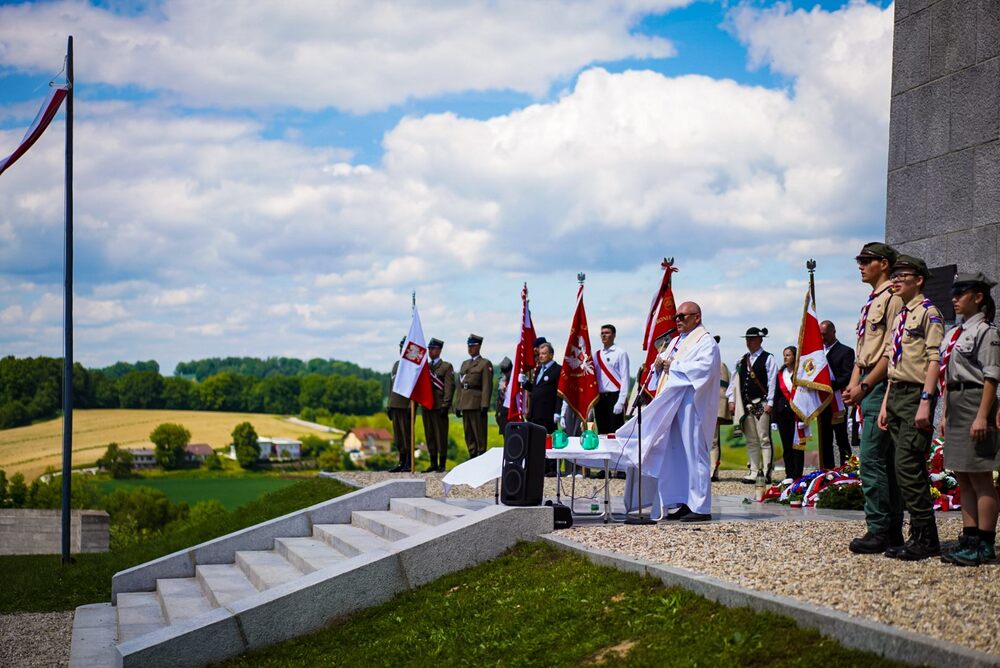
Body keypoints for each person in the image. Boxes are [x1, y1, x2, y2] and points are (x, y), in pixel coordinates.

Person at [617, 302, 721, 521]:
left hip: (692, 403)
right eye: (676, 317)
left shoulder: (706, 342)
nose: (678, 320)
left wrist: (674, 366)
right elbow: (664, 368)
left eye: (683, 316)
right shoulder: (674, 341)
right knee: (674, 453)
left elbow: (704, 369)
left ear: (697, 317)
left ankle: (701, 507)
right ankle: (683, 501)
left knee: (694, 452)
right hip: (672, 402)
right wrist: (658, 366)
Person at [877, 255, 945, 561]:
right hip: (896, 394)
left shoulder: (929, 313)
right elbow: (894, 363)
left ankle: (927, 536)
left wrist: (926, 402)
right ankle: (916, 534)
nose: (896, 280)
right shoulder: (901, 316)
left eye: (902, 275)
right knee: (901, 467)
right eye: (894, 275)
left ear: (918, 280)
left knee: (908, 464)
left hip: (917, 395)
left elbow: (934, 359)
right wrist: (885, 403)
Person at [843, 241, 905, 555]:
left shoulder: (893, 299)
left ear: (884, 263)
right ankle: (890, 530)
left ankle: (880, 529)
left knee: (873, 460)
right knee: (882, 460)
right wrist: (854, 384)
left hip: (880, 385)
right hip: (868, 382)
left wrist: (865, 386)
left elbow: (890, 352)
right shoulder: (872, 301)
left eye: (867, 260)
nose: (861, 266)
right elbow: (863, 350)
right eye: (860, 260)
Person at [940, 273, 999, 566]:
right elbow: (948, 375)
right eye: (954, 292)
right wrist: (945, 413)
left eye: (961, 293)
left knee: (980, 475)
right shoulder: (955, 333)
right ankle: (970, 536)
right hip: (956, 401)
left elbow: (991, 377)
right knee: (962, 475)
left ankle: (985, 543)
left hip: (976, 401)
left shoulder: (986, 332)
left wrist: (982, 416)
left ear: (978, 297)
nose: (955, 298)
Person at [727, 327, 777, 483]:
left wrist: (771, 401)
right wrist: (731, 399)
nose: (749, 342)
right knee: (751, 440)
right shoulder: (742, 360)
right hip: (746, 405)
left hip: (762, 403)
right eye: (747, 339)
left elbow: (772, 381)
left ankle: (766, 471)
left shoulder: (768, 358)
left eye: (752, 339)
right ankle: (754, 471)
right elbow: (734, 382)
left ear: (760, 340)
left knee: (764, 439)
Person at [523, 342, 563, 476]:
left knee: (549, 439)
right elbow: (535, 389)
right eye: (540, 354)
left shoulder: (557, 369)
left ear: (551, 354)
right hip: (536, 411)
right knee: (537, 440)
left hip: (548, 411)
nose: (541, 356)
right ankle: (541, 465)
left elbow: (559, 393)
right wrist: (525, 383)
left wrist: (557, 411)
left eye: (544, 353)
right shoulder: (539, 369)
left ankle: (551, 467)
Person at [818, 321, 855, 468]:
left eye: (825, 334)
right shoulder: (818, 353)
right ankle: (828, 469)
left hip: (837, 400)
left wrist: (828, 386)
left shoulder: (846, 351)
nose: (822, 338)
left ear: (833, 332)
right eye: (820, 335)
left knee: (841, 437)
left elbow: (847, 376)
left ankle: (847, 468)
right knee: (824, 438)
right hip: (822, 401)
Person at [456, 334, 493, 459]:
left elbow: (487, 385)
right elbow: (460, 386)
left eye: (472, 346)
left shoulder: (484, 363)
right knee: (468, 433)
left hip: (477, 403)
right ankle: (472, 455)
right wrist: (458, 404)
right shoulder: (464, 364)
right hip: (465, 402)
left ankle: (481, 456)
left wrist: (485, 404)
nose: (470, 348)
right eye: (469, 346)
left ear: (479, 346)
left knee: (479, 433)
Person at [422, 338, 455, 473]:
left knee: (441, 435)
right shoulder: (425, 367)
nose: (431, 351)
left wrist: (446, 404)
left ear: (439, 350)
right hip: (427, 406)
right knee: (429, 435)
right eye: (429, 349)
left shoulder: (446, 367)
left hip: (439, 406)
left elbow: (449, 387)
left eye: (433, 349)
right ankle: (433, 463)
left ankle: (442, 463)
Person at [773, 345, 804, 481]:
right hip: (783, 413)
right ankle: (789, 474)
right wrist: (774, 418)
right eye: (784, 355)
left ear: (795, 357)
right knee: (786, 445)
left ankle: (798, 475)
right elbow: (776, 395)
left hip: (797, 413)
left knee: (797, 446)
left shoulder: (800, 374)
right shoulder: (781, 374)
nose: (785, 357)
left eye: (788, 355)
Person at [594, 324, 630, 434]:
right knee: (602, 431)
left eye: (607, 333)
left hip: (614, 396)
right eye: (602, 333)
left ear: (614, 335)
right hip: (600, 398)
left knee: (615, 431)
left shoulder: (620, 353)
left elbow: (625, 378)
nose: (604, 335)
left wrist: (621, 401)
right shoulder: (597, 355)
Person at [388, 337, 412, 472]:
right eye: (401, 347)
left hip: (405, 405)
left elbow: (415, 388)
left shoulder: (412, 366)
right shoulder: (396, 365)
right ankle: (401, 461)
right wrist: (389, 405)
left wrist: (410, 406)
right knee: (398, 436)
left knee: (407, 435)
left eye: (404, 348)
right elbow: (391, 386)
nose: (401, 350)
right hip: (395, 404)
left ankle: (409, 462)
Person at [712, 335, 731, 482]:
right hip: (700, 406)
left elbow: (724, 388)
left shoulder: (720, 366)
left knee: (713, 440)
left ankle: (713, 470)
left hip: (713, 406)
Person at [495, 356, 513, 436]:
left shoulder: (515, 381)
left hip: (512, 413)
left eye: (507, 372)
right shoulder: (502, 381)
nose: (505, 374)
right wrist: (497, 413)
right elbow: (499, 400)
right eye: (504, 372)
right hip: (503, 413)